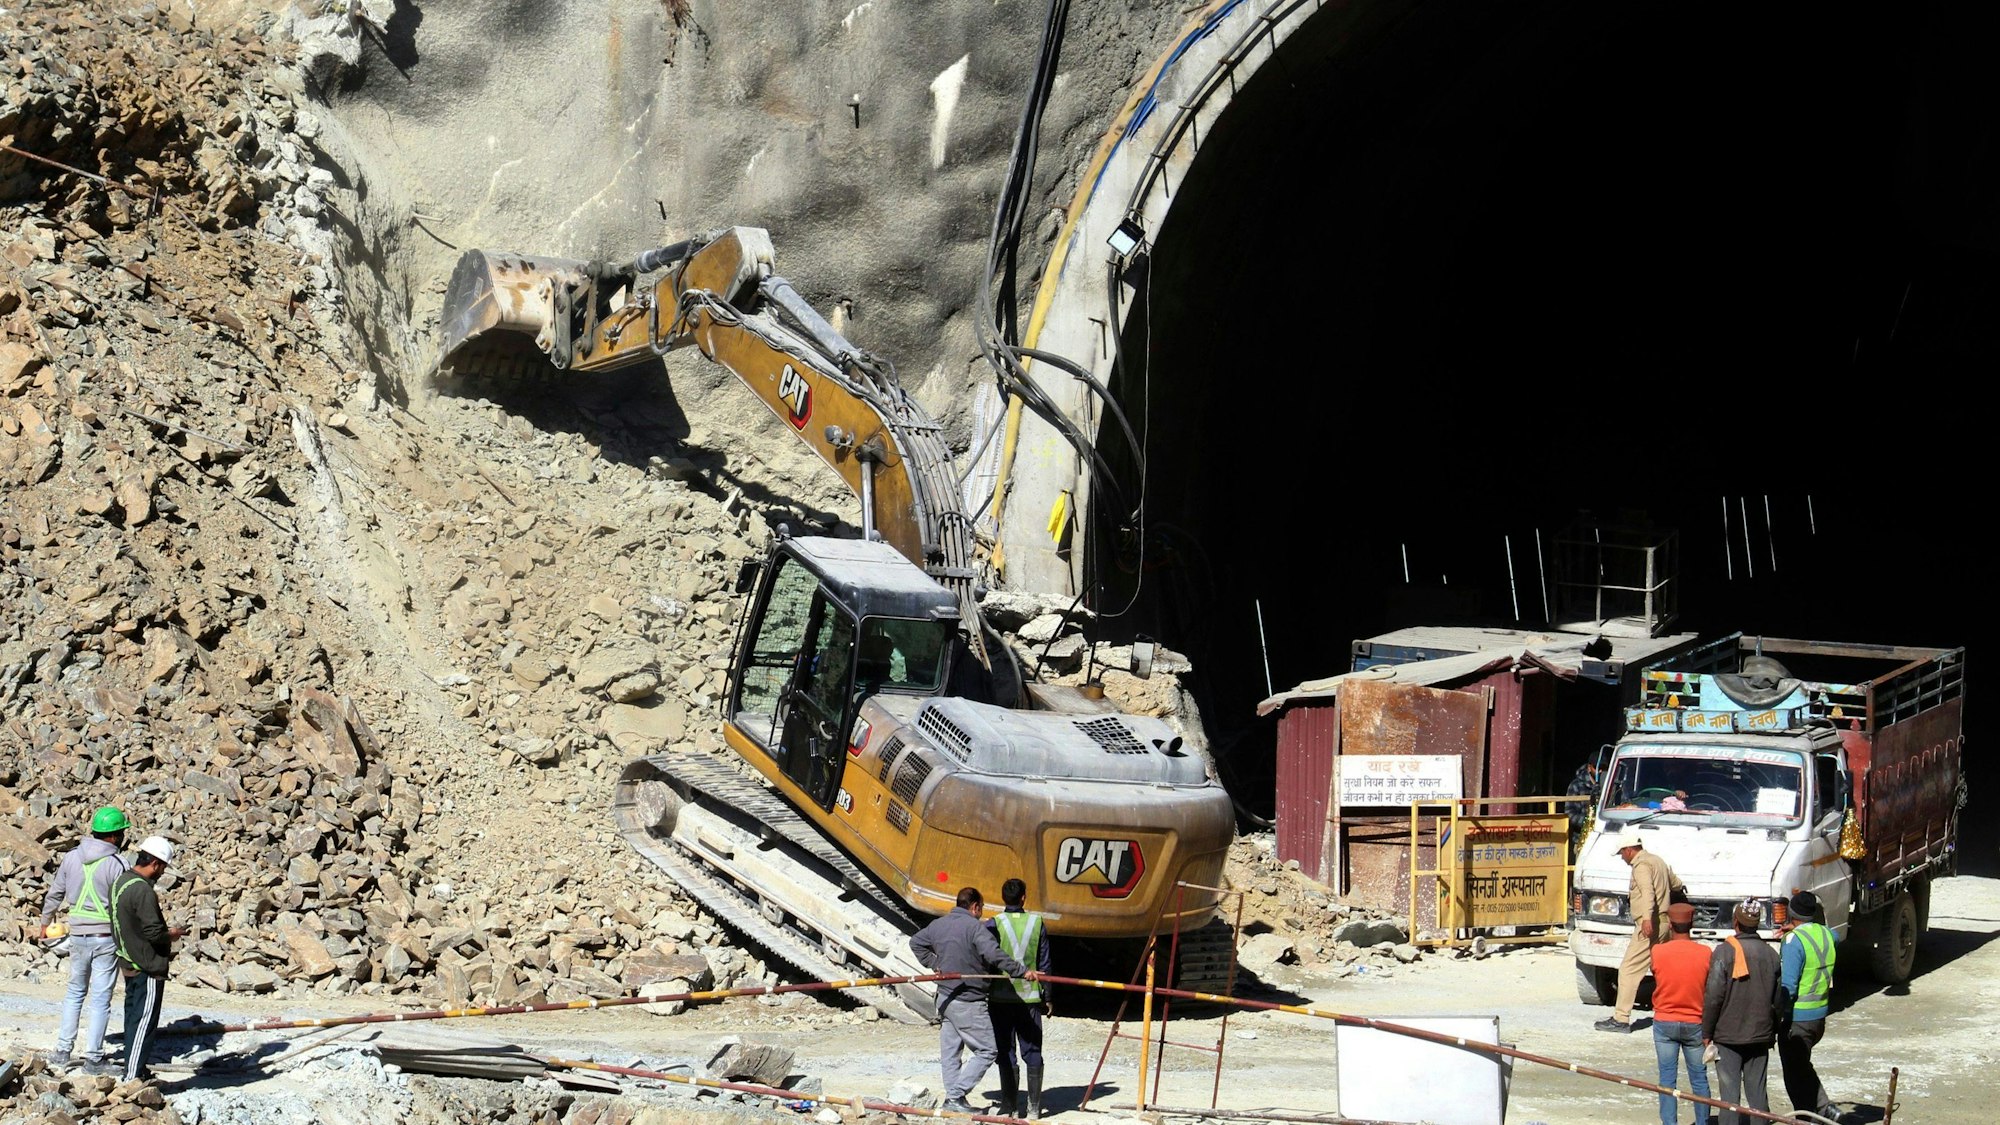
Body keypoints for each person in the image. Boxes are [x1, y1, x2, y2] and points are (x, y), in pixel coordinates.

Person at [909, 886, 1041, 1113]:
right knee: (988, 1050)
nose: (981, 913)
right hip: (968, 1000)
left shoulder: (939, 925)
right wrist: (1021, 971)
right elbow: (994, 954)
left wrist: (934, 964)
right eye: (981, 908)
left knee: (951, 1053)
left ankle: (954, 1102)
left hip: (944, 999)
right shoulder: (974, 928)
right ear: (975, 907)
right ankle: (956, 1096)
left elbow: (916, 942)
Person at [40, 806, 132, 1072]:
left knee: (74, 992)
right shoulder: (118, 864)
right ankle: (94, 1058)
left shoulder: (71, 857)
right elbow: (124, 906)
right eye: (122, 833)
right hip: (105, 938)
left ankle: (62, 1050)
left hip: (78, 935)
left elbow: (55, 893)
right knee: (101, 998)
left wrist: (45, 923)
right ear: (114, 837)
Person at [109, 836, 186, 1082]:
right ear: (154, 863)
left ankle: (137, 1070)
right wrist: (171, 934)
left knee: (134, 1019)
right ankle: (132, 1077)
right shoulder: (142, 890)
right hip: (146, 966)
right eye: (162, 867)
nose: (162, 873)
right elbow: (153, 933)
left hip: (129, 961)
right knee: (143, 1023)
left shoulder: (122, 881)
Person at [1596, 830, 1686, 1033]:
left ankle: (1621, 1018)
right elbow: (1676, 884)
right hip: (1665, 924)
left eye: (1622, 853)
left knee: (1628, 970)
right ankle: (1673, 1012)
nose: (1622, 857)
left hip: (1650, 925)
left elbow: (1648, 892)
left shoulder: (1641, 866)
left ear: (1629, 850)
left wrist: (1646, 919)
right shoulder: (1658, 861)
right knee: (1663, 971)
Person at [1702, 900, 1783, 1125]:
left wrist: (1706, 1031)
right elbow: (1778, 1001)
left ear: (1735, 922)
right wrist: (1772, 1031)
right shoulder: (1771, 954)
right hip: (1759, 1035)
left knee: (1729, 1099)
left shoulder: (1723, 952)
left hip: (1727, 1037)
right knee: (1758, 1097)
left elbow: (1713, 997)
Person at [986, 878, 1053, 1118]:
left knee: (1005, 1051)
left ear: (1003, 897)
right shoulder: (1037, 923)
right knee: (1032, 1050)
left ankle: (1009, 1106)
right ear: (1023, 897)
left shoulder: (994, 923)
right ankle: (1034, 1108)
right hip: (1030, 999)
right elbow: (1044, 962)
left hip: (1000, 999)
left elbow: (987, 958)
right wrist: (1048, 996)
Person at [1650, 902, 1714, 1125]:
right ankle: (1703, 1122)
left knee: (1667, 1079)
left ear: (1669, 924)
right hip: (1695, 1022)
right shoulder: (1705, 953)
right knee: (1699, 1079)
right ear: (1692, 924)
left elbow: (1656, 973)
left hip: (1665, 1021)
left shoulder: (1658, 951)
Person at [1777, 891, 1838, 1121]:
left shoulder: (1793, 942)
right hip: (1819, 1016)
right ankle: (1823, 1108)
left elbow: (1789, 988)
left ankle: (1817, 1111)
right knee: (1802, 1065)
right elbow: (1834, 936)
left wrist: (1778, 1015)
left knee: (1794, 1074)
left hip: (1798, 1018)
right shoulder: (1827, 935)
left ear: (1791, 914)